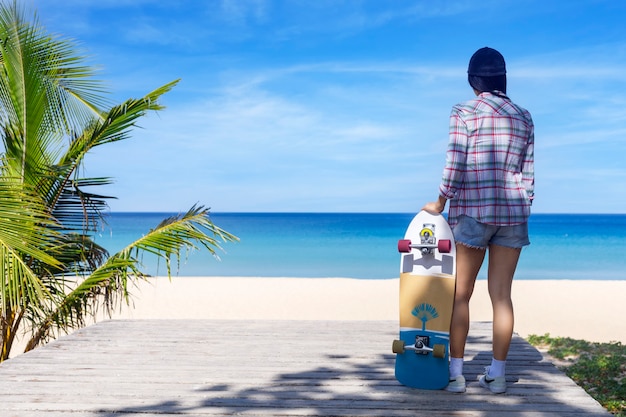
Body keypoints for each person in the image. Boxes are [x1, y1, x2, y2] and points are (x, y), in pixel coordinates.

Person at [422, 47, 534, 394]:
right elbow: (528, 173)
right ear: (502, 79)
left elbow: (454, 164)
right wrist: (522, 203)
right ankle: (497, 376)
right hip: (513, 214)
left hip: (473, 211)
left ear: (474, 81)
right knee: (502, 297)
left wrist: (440, 202)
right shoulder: (524, 116)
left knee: (460, 295)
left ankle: (456, 375)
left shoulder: (465, 111)